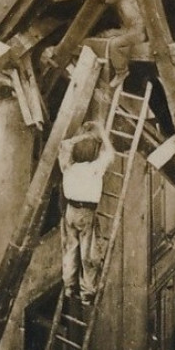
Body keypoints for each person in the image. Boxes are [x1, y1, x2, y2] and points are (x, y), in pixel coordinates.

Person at [58, 120, 116, 305]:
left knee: (70, 248)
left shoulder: (68, 167)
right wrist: (100, 130)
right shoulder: (94, 169)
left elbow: (64, 145)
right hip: (86, 213)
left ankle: (69, 286)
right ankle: (87, 292)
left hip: (70, 212)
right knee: (88, 253)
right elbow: (111, 154)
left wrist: (81, 136)